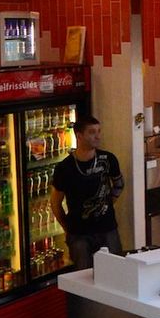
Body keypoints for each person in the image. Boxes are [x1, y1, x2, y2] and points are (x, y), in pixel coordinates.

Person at [50, 114, 125, 269]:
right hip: (79, 233)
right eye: (92, 132)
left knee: (115, 271)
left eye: (99, 131)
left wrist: (107, 203)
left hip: (107, 228)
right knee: (82, 275)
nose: (97, 136)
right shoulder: (65, 168)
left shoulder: (108, 159)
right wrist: (68, 228)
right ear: (79, 136)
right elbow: (55, 203)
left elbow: (119, 184)